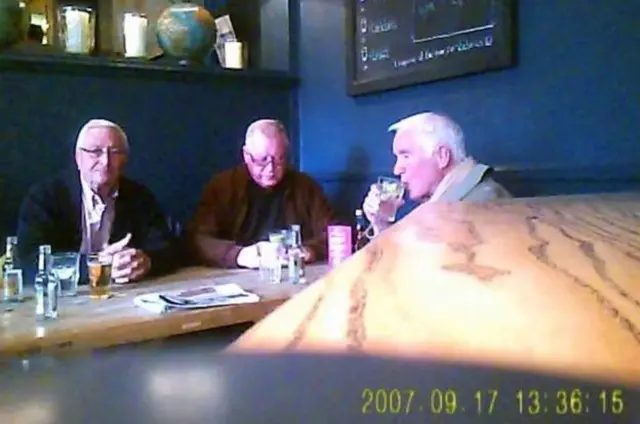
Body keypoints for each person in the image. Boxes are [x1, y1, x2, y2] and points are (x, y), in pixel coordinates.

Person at [17, 119, 179, 284]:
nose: (106, 161)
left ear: (126, 159)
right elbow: (30, 260)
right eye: (95, 152)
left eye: (115, 152)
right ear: (78, 158)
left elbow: (168, 247)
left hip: (124, 296)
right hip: (66, 296)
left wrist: (146, 261)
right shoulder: (45, 196)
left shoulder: (139, 196)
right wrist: (98, 265)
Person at [188, 119, 336, 269]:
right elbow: (198, 239)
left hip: (292, 271)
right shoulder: (223, 187)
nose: (271, 169)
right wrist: (238, 255)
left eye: (279, 159)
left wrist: (308, 250)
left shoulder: (305, 187)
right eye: (262, 160)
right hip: (236, 275)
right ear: (246, 155)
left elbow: (334, 233)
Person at [363, 112, 511, 236]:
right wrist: (382, 224)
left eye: (406, 156)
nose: (397, 169)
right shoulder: (450, 199)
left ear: (442, 156)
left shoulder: (479, 207)